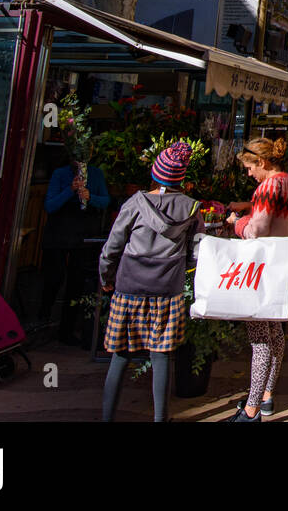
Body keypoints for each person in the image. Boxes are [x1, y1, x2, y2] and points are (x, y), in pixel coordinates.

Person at [99, 142, 200, 422]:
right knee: (162, 356)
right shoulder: (191, 208)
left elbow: (113, 246)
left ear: (155, 173)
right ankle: (160, 418)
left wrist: (106, 277)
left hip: (129, 284)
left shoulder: (135, 203)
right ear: (181, 178)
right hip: (167, 289)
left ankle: (107, 417)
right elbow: (196, 253)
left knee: (120, 355)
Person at [223, 138, 288, 422]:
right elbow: (278, 214)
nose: (248, 174)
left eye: (249, 167)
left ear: (263, 163)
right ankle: (267, 395)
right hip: (279, 264)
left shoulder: (268, 186)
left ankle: (251, 409)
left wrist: (236, 222)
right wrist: (251, 204)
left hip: (259, 268)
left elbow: (256, 230)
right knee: (274, 332)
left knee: (259, 339)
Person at [40, 153, 110, 344]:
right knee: (53, 279)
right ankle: (42, 322)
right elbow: (50, 205)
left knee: (77, 282)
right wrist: (69, 190)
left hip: (83, 234)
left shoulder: (96, 174)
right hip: (59, 233)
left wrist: (90, 196)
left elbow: (105, 201)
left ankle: (67, 330)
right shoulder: (60, 174)